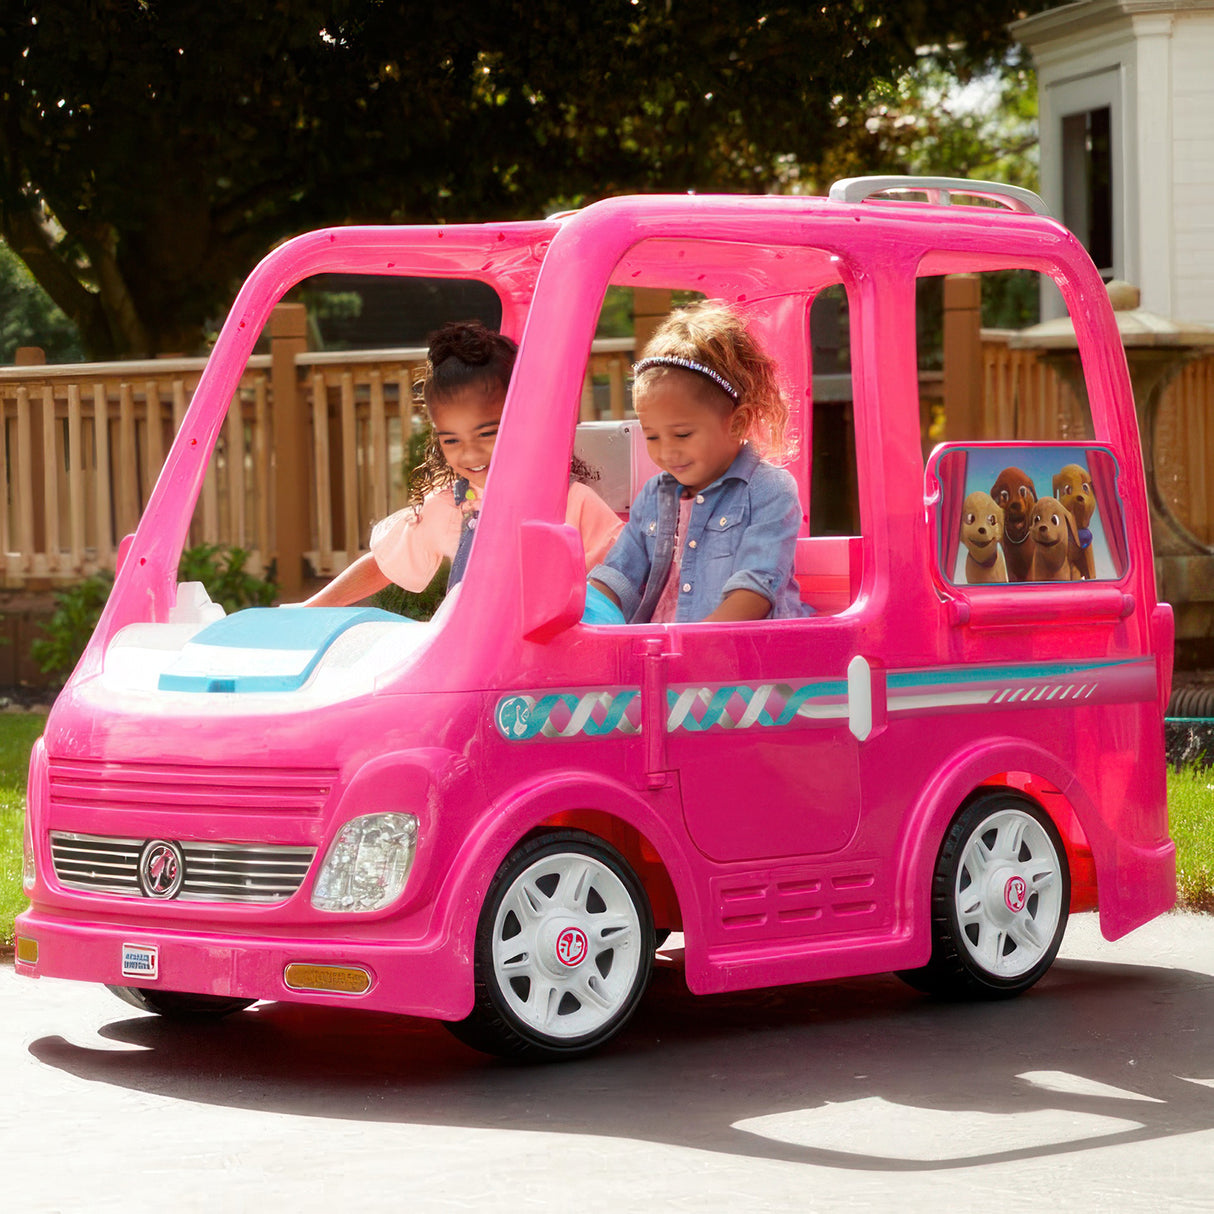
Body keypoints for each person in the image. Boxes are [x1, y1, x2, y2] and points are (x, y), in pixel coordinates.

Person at [305, 321, 622, 607]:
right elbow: (382, 564)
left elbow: (623, 577)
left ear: (526, 421)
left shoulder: (570, 502)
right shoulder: (451, 503)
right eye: (452, 440)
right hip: (474, 664)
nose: (470, 454)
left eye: (486, 434)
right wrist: (311, 609)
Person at [588, 301, 809, 624]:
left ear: (736, 423)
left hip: (746, 658)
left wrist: (695, 649)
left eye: (682, 435)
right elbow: (618, 576)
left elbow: (755, 591)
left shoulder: (768, 490)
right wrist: (583, 615)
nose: (666, 453)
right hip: (660, 654)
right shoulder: (654, 495)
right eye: (652, 437)